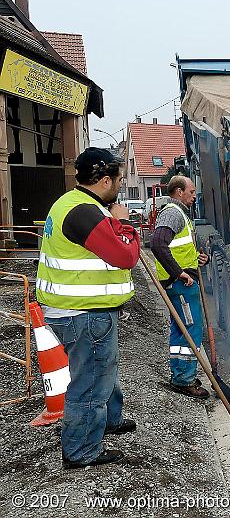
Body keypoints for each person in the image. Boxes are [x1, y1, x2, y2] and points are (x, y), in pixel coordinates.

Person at [36, 147, 140, 468]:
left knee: (103, 371)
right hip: (84, 313)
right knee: (91, 380)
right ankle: (81, 450)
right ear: (106, 180)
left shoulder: (71, 203)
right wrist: (125, 224)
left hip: (73, 309)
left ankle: (109, 419)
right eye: (120, 179)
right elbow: (126, 256)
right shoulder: (85, 213)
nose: (122, 184)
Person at [151, 175, 210, 398]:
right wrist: (180, 273)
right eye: (191, 192)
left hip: (180, 282)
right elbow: (157, 244)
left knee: (179, 330)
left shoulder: (180, 214)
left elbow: (178, 249)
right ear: (178, 192)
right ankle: (185, 380)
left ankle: (180, 374)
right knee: (190, 329)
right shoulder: (172, 213)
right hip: (181, 284)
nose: (194, 196)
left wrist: (197, 258)